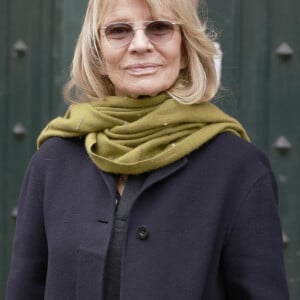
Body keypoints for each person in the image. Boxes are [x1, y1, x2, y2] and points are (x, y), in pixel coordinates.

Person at [6, 0, 289, 299]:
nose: (140, 44)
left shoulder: (240, 169)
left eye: (159, 28)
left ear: (184, 50)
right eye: (119, 30)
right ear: (98, 53)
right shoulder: (51, 163)